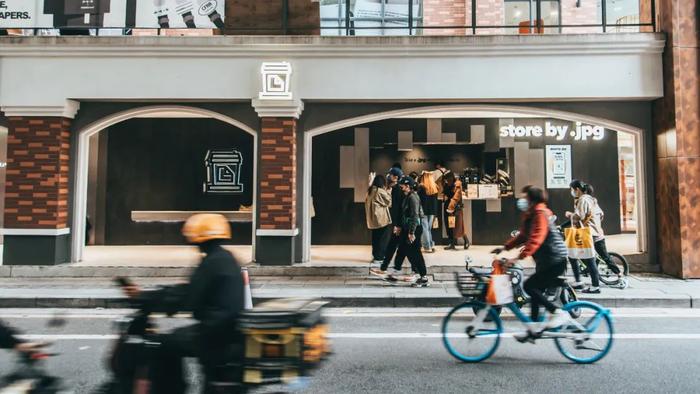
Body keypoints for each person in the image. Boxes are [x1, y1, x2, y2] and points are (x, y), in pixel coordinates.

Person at [120, 214, 245, 394]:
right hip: (225, 331)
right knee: (174, 340)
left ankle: (174, 389)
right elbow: (190, 292)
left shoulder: (212, 263)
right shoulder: (226, 258)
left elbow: (187, 296)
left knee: (164, 345)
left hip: (214, 334)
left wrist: (148, 298)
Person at [493, 186, 570, 342]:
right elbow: (523, 236)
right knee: (535, 294)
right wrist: (505, 247)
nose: (522, 201)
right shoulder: (533, 214)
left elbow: (536, 238)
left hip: (555, 260)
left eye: (525, 197)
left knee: (529, 286)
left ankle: (559, 313)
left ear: (532, 199)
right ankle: (533, 330)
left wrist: (518, 258)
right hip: (546, 260)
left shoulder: (540, 214)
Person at [566, 180, 602, 294]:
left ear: (577, 189)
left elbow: (579, 216)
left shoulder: (583, 199)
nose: (572, 192)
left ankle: (595, 286)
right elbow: (601, 214)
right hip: (591, 232)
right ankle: (579, 281)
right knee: (573, 255)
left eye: (572, 189)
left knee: (589, 259)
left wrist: (569, 215)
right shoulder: (592, 199)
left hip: (586, 233)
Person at [370, 167, 405, 278]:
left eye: (390, 175)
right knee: (388, 241)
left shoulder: (397, 189)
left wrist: (397, 222)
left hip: (393, 218)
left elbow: (396, 205)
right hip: (388, 217)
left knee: (390, 241)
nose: (388, 176)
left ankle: (385, 264)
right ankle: (385, 265)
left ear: (395, 177)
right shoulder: (388, 188)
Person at [583, 183, 623, 279]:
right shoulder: (594, 203)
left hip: (596, 235)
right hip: (597, 233)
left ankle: (618, 273)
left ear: (584, 192)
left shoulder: (587, 203)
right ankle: (589, 269)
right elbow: (601, 215)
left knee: (604, 256)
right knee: (588, 253)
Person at [396, 176, 429, 287]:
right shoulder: (408, 196)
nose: (401, 188)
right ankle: (419, 274)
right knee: (410, 252)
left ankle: (423, 277)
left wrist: (411, 232)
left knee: (415, 252)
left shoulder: (413, 197)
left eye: (403, 186)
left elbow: (415, 216)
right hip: (409, 228)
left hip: (414, 229)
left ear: (408, 186)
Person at [365, 174, 392, 264]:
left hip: (373, 220)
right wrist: (388, 191)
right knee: (383, 238)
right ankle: (380, 257)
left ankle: (376, 256)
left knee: (375, 238)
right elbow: (389, 202)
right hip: (381, 219)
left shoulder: (370, 190)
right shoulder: (380, 191)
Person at [443, 172, 470, 250]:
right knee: (449, 226)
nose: (447, 180)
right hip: (448, 207)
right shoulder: (447, 184)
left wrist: (450, 207)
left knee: (458, 226)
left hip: (455, 208)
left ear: (451, 178)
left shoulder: (457, 185)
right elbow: (445, 193)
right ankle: (451, 244)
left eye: (448, 179)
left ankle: (466, 240)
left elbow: (456, 197)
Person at [417, 172, 439, 253]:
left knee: (424, 229)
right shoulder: (435, 187)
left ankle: (427, 247)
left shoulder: (422, 187)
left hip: (424, 210)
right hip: (432, 211)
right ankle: (431, 244)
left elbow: (419, 200)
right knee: (428, 229)